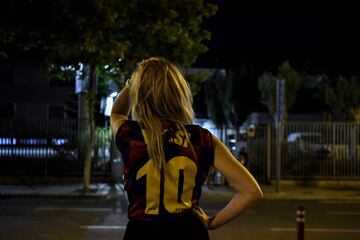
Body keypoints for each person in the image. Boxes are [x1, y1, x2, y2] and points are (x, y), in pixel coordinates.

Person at [110, 57, 263, 240]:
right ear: (179, 94)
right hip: (188, 232)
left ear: (141, 95)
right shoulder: (202, 138)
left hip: (142, 232)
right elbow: (251, 191)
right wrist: (212, 222)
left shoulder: (131, 135)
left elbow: (117, 112)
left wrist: (131, 82)